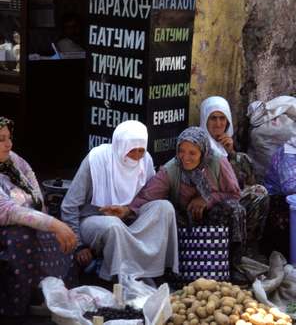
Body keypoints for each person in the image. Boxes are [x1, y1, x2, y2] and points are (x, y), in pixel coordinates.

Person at [61, 120, 179, 282]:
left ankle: (155, 271)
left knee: (164, 207)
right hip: (94, 221)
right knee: (113, 225)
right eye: (132, 151)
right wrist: (79, 245)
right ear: (120, 146)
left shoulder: (146, 160)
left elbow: (148, 196)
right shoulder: (96, 160)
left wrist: (128, 210)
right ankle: (121, 277)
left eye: (141, 151)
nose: (137, 156)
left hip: (130, 217)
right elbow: (69, 206)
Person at [129, 127, 246, 269]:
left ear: (203, 153)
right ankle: (178, 265)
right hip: (187, 222)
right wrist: (127, 211)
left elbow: (234, 194)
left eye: (192, 153)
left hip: (217, 222)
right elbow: (147, 197)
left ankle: (233, 264)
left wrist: (207, 199)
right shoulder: (172, 168)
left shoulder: (217, 162)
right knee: (164, 210)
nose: (185, 158)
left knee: (235, 209)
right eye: (181, 151)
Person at [0, 117, 77, 322]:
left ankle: (50, 296)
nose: (9, 144)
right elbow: (7, 211)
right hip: (6, 227)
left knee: (53, 233)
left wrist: (46, 220)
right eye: (1, 139)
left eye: (9, 138)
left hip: (24, 220)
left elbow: (35, 190)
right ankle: (17, 304)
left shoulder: (14, 161)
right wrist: (51, 224)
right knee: (22, 237)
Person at [199, 96, 270, 256]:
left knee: (259, 192)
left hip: (230, 198)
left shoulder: (226, 147)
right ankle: (233, 258)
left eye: (222, 118)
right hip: (210, 205)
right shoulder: (199, 146)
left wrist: (231, 153)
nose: (218, 124)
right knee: (239, 204)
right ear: (205, 120)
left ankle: (248, 250)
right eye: (213, 118)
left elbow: (246, 182)